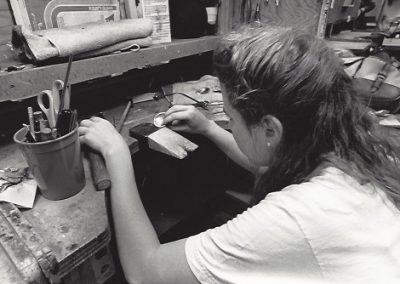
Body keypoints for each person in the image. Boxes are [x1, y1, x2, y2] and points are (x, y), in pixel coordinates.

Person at [78, 25, 400, 284]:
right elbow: (271, 162)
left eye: (231, 118)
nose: (228, 124)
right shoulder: (346, 146)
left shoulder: (295, 219)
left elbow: (146, 272)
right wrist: (209, 128)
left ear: (271, 130)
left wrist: (116, 153)